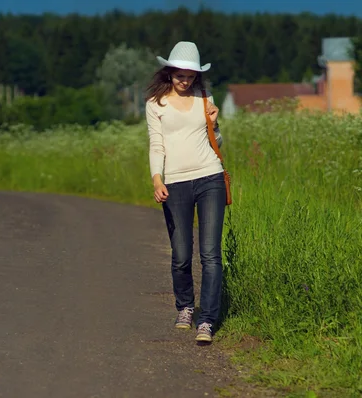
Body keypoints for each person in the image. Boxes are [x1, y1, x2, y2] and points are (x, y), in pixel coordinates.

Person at [145, 41, 226, 343]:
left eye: (191, 76)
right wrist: (157, 180)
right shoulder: (155, 103)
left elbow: (216, 139)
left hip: (210, 177)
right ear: (169, 72)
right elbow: (157, 144)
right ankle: (185, 307)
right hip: (175, 182)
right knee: (180, 255)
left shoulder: (205, 96)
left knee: (211, 254)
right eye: (180, 75)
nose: (185, 81)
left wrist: (215, 124)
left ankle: (207, 320)